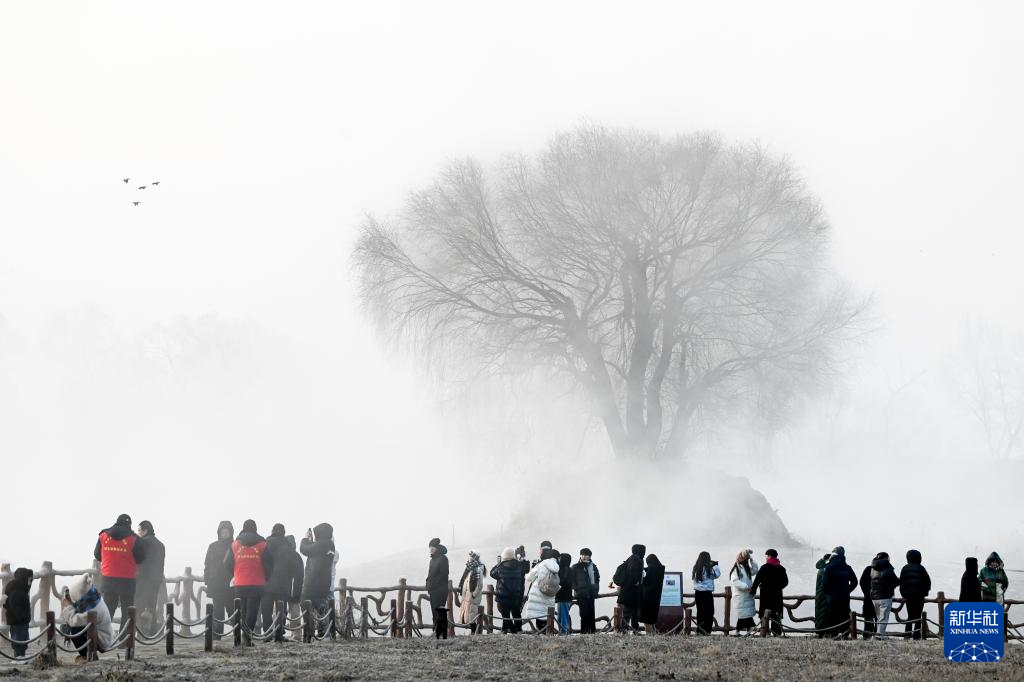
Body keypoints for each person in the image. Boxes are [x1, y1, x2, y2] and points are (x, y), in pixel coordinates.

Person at [93, 513, 146, 622]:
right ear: (129, 524)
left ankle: (104, 637)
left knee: (108, 609)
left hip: (108, 578)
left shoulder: (103, 535)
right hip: (127, 580)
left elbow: (97, 554)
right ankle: (125, 637)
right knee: (128, 611)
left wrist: (109, 560)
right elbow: (141, 558)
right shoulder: (134, 538)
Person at [224, 519, 272, 637]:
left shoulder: (235, 545)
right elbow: (269, 564)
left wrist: (235, 573)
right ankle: (247, 636)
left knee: (241, 611)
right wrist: (265, 576)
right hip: (257, 583)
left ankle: (240, 636)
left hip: (239, 582)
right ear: (255, 529)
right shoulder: (262, 544)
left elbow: (226, 562)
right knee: (252, 611)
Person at [261, 524, 304, 638]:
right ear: (283, 532)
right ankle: (279, 634)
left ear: (272, 531)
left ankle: (267, 634)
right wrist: (296, 594)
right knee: (281, 610)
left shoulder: (264, 544)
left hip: (266, 584)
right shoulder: (288, 547)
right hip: (283, 585)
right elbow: (297, 570)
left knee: (266, 611)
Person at [60, 574, 113, 662]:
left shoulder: (92, 610)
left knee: (75, 629)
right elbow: (79, 612)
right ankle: (89, 653)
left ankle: (87, 655)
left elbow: (74, 621)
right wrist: (71, 602)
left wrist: (68, 607)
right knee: (76, 627)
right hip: (103, 636)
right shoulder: (94, 600)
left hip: (102, 641)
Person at [300, 522, 337, 637]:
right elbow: (314, 551)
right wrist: (312, 542)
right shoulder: (330, 545)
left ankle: (309, 632)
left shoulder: (321, 545)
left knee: (305, 604)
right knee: (321, 607)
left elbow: (304, 549)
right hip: (324, 583)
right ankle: (323, 633)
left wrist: (305, 539)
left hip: (312, 583)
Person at [203, 521, 234, 639]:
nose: (225, 533)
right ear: (219, 532)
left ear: (231, 532)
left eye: (227, 531)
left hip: (231, 584)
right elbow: (207, 565)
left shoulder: (235, 545)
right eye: (223, 531)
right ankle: (217, 636)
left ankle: (238, 634)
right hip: (216, 584)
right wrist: (207, 580)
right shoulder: (212, 546)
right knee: (217, 612)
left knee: (233, 610)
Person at [135, 520, 165, 636]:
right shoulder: (161, 545)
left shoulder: (142, 542)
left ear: (145, 530)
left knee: (138, 607)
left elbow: (138, 560)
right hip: (156, 580)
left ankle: (139, 634)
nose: (138, 533)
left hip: (142, 579)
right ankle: (152, 633)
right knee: (152, 606)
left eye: (139, 530)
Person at [821, 546, 858, 638]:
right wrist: (847, 590)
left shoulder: (828, 568)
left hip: (832, 597)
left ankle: (833, 636)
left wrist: (828, 593)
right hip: (845, 597)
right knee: (845, 616)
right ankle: (845, 635)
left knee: (832, 617)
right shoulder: (847, 567)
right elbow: (855, 582)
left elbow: (824, 584)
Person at [751, 548, 788, 636]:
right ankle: (776, 633)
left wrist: (753, 590)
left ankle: (765, 632)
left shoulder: (764, 567)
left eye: (766, 556)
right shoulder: (781, 568)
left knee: (764, 614)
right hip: (777, 595)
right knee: (776, 615)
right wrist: (778, 587)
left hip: (766, 595)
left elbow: (757, 580)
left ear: (769, 556)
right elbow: (786, 582)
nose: (765, 557)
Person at [524, 547, 560, 631]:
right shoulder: (557, 567)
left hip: (538, 592)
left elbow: (529, 577)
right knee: (546, 615)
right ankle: (547, 632)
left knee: (538, 614)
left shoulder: (541, 564)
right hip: (550, 594)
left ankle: (540, 632)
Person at [490, 547, 525, 633]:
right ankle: (517, 629)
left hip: (503, 597)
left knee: (505, 615)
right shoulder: (518, 567)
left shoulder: (501, 568)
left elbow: (492, 573)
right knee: (516, 614)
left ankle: (513, 631)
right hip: (515, 596)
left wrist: (498, 563)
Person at [611, 544, 645, 633]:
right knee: (629, 612)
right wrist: (636, 582)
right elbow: (632, 572)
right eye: (643, 550)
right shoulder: (635, 559)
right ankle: (626, 630)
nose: (644, 552)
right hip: (631, 591)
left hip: (630, 591)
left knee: (632, 612)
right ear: (639, 550)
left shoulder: (632, 558)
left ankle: (631, 630)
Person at [898, 549, 931, 640]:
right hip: (919, 595)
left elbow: (902, 582)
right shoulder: (921, 568)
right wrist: (925, 593)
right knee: (918, 616)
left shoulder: (904, 568)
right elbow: (927, 581)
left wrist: (904, 594)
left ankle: (907, 635)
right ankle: (916, 636)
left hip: (908, 596)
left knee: (910, 615)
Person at [869, 551, 899, 640]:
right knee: (884, 618)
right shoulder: (888, 567)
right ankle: (879, 637)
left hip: (874, 597)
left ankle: (879, 635)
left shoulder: (872, 568)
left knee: (879, 618)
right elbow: (895, 581)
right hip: (885, 596)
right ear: (886, 558)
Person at [2, 567, 32, 658]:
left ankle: (20, 657)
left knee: (21, 641)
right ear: (23, 578)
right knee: (19, 642)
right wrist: (22, 617)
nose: (29, 582)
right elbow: (14, 606)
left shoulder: (20, 588)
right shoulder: (17, 591)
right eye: (28, 579)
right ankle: (19, 657)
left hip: (19, 621)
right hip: (19, 622)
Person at [571, 548, 601, 634]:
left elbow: (597, 578)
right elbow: (572, 580)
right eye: (582, 554)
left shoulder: (593, 566)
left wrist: (596, 589)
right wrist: (577, 588)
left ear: (589, 556)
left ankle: (592, 632)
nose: (584, 556)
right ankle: (584, 632)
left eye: (586, 555)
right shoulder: (575, 567)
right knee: (583, 614)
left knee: (591, 613)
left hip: (591, 594)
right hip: (581, 594)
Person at [729, 549, 758, 635]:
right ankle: (738, 631)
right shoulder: (736, 569)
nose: (746, 561)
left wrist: (752, 560)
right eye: (745, 559)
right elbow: (735, 581)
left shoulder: (746, 568)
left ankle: (746, 631)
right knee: (743, 616)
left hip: (747, 596)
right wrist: (746, 587)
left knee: (747, 615)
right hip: (741, 596)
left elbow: (755, 570)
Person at [691, 551, 720, 635]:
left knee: (700, 612)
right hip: (707, 594)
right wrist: (715, 565)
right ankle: (707, 630)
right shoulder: (709, 569)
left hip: (698, 593)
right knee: (709, 612)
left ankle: (700, 630)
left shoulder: (696, 568)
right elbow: (717, 575)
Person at [426, 538, 449, 639]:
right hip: (433, 590)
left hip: (440, 590)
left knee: (439, 611)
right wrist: (428, 584)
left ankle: (441, 633)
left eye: (432, 547)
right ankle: (436, 631)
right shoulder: (432, 560)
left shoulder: (443, 559)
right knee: (434, 612)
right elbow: (430, 575)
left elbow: (444, 575)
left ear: (437, 548)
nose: (431, 549)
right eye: (430, 547)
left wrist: (433, 585)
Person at [458, 550, 485, 634]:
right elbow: (465, 581)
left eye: (471, 557)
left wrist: (474, 594)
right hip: (467, 596)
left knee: (472, 614)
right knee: (469, 614)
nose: (469, 559)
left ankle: (474, 631)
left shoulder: (478, 569)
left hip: (472, 596)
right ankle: (473, 631)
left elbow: (479, 585)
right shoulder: (469, 568)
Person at [641, 554, 666, 634]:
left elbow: (646, 581)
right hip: (656, 596)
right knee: (652, 617)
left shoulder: (651, 568)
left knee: (646, 618)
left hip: (648, 596)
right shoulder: (661, 569)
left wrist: (642, 577)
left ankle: (649, 634)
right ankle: (653, 633)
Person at [858, 556, 876, 639]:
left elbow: (862, 582)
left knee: (869, 618)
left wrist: (867, 592)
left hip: (868, 598)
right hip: (875, 598)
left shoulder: (868, 569)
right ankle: (874, 637)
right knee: (876, 619)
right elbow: (862, 582)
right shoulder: (870, 569)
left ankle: (867, 637)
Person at [555, 553, 573, 634]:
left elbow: (562, 582)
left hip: (563, 597)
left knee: (563, 617)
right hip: (565, 597)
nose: (559, 560)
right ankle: (563, 632)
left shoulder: (564, 570)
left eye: (560, 558)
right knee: (561, 617)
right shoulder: (569, 569)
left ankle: (564, 633)